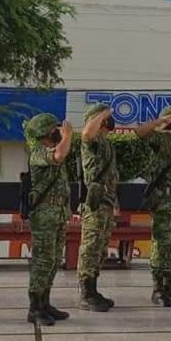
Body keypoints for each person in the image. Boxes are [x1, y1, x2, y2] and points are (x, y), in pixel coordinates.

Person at [136, 106, 171, 307]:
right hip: (164, 202)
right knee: (162, 244)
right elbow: (140, 132)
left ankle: (169, 285)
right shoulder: (160, 140)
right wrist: (163, 120)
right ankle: (158, 289)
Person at [23, 113, 73, 326]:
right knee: (42, 261)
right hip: (44, 215)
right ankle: (34, 308)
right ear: (45, 131)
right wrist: (67, 135)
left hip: (58, 213)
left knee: (53, 261)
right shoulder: (38, 152)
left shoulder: (52, 150)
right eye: (55, 128)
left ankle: (45, 302)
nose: (59, 130)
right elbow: (59, 156)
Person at [77, 104, 119, 312]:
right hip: (95, 201)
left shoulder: (106, 144)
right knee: (91, 246)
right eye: (106, 118)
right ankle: (85, 293)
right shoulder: (91, 141)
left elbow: (111, 177)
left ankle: (93, 290)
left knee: (101, 248)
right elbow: (85, 133)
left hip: (107, 200)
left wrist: (115, 202)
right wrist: (103, 112)